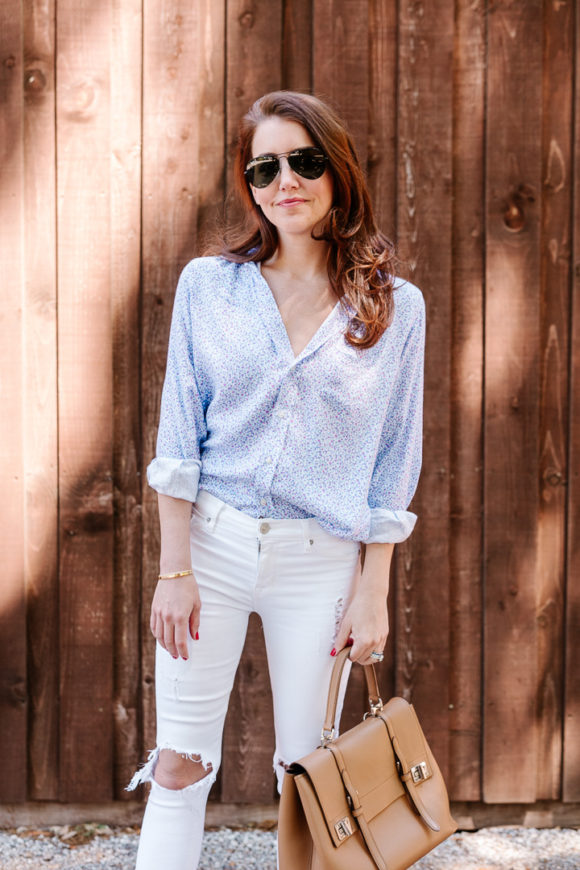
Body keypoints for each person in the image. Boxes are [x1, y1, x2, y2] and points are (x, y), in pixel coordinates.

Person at [127, 90, 425, 870]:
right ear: (250, 184)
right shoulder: (208, 286)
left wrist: (372, 585)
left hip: (320, 562)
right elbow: (178, 437)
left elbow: (395, 458)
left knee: (310, 777)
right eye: (264, 167)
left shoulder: (396, 309)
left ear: (338, 170)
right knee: (180, 761)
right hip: (212, 552)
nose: (284, 180)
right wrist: (175, 567)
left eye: (304, 160)